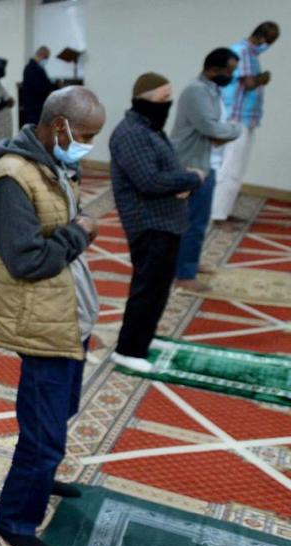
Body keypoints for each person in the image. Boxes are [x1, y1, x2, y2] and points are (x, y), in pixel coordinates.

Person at [0, 86, 105, 546]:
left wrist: (73, 228)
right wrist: (79, 233)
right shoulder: (12, 178)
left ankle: (41, 478)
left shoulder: (53, 165)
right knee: (43, 430)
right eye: (85, 135)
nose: (88, 144)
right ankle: (15, 518)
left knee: (61, 409)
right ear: (57, 126)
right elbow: (26, 260)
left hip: (65, 314)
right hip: (41, 319)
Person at [109, 73, 207, 373]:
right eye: (163, 99)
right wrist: (192, 178)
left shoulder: (150, 128)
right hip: (149, 223)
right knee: (147, 288)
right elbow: (149, 180)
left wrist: (181, 180)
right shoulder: (132, 133)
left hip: (165, 221)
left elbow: (165, 172)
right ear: (142, 101)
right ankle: (128, 350)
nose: (168, 105)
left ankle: (143, 340)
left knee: (157, 288)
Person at [171, 50, 244, 292]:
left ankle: (188, 262)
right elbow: (211, 128)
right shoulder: (196, 91)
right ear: (212, 69)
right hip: (193, 165)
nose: (231, 75)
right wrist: (234, 130)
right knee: (194, 221)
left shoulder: (212, 89)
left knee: (198, 220)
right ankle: (185, 274)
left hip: (206, 162)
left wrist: (224, 131)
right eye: (229, 70)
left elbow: (217, 130)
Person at [212, 21, 280, 226]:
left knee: (237, 168)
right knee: (230, 167)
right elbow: (248, 83)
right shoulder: (242, 52)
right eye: (269, 41)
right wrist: (264, 78)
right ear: (260, 38)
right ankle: (217, 215)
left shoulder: (249, 54)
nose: (268, 46)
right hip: (236, 119)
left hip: (245, 118)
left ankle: (225, 211)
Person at [22, 46, 54, 126]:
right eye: (46, 57)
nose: (46, 60)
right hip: (35, 109)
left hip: (32, 109)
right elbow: (41, 88)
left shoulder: (30, 68)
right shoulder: (34, 69)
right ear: (42, 55)